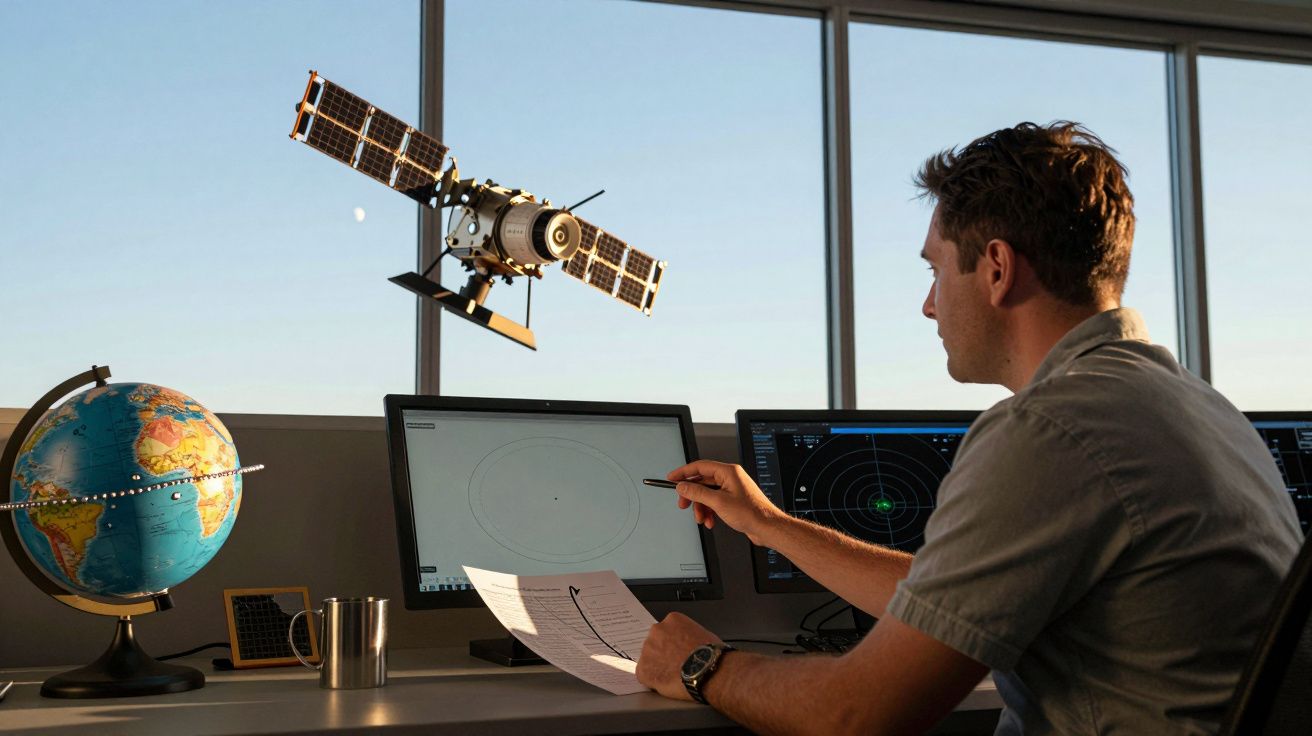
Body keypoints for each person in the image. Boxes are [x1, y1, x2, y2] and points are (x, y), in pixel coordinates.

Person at [634, 121, 1303, 735]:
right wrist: (770, 525)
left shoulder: (1049, 429)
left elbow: (854, 714)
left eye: (935, 269)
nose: (929, 305)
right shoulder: (1198, 407)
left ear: (997, 269)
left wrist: (701, 665)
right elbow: (945, 600)